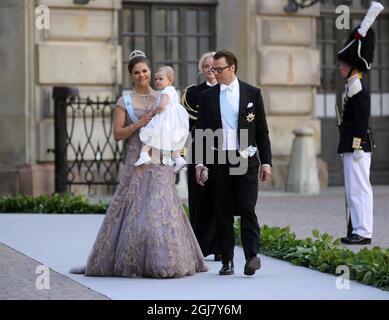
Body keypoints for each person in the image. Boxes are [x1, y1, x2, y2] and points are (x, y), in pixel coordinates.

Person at [70, 50, 208, 278]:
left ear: (151, 72)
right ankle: (133, 259)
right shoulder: (124, 101)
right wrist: (139, 124)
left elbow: (175, 124)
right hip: (137, 157)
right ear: (131, 75)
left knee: (161, 204)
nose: (142, 75)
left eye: (145, 71)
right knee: (133, 206)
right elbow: (117, 135)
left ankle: (166, 258)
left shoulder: (163, 95)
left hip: (160, 157)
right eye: (137, 72)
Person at [195, 50, 272, 276]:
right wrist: (200, 163)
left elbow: (262, 131)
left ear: (232, 68)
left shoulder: (252, 93)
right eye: (212, 69)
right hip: (220, 159)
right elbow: (200, 132)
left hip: (246, 157)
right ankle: (227, 260)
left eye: (218, 69)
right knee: (223, 211)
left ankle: (252, 256)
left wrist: (266, 162)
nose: (214, 72)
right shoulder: (207, 97)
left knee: (248, 208)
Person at [337, 1, 383, 245]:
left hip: (358, 146)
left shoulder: (359, 88)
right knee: (352, 190)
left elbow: (361, 120)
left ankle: (364, 231)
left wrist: (355, 145)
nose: (340, 67)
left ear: (353, 64)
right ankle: (355, 228)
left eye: (343, 63)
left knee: (360, 189)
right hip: (350, 145)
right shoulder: (351, 86)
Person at [181, 51, 222, 261]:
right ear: (201, 69)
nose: (210, 70)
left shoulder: (228, 90)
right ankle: (199, 248)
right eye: (206, 66)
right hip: (199, 149)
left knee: (221, 198)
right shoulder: (192, 93)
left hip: (223, 150)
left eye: (214, 66)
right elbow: (185, 128)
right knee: (198, 199)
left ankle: (220, 247)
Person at [134, 66, 189, 174]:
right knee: (173, 143)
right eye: (156, 79)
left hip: (164, 120)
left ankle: (144, 154)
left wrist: (153, 112)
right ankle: (178, 159)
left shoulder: (166, 91)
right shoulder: (173, 91)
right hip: (173, 123)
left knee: (149, 133)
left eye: (161, 79)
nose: (157, 81)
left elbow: (162, 106)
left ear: (170, 80)